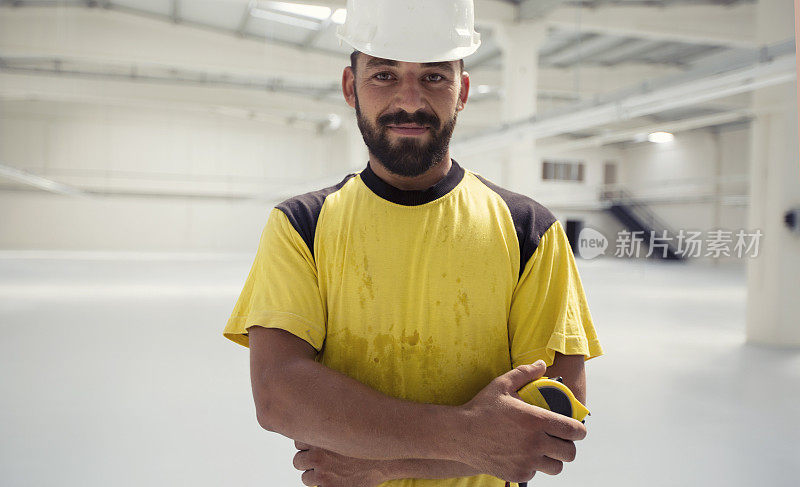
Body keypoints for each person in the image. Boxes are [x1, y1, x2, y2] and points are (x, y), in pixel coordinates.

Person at [222, 1, 603, 486]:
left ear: (461, 91)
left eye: (434, 77)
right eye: (383, 75)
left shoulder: (529, 229)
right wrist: (469, 438)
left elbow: (553, 423)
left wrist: (381, 462)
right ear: (350, 88)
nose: (409, 101)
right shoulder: (302, 225)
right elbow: (280, 395)